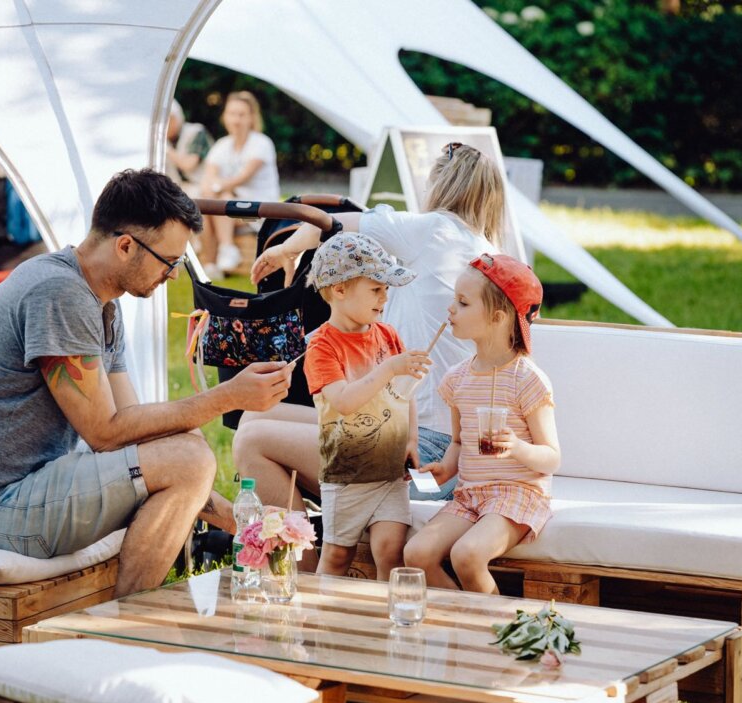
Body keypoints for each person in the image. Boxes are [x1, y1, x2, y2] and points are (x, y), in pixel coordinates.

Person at [0, 169, 295, 597]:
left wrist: (243, 524)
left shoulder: (101, 303)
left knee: (186, 448)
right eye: (170, 261)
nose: (172, 275)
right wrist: (226, 397)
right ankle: (127, 623)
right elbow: (105, 432)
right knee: (188, 457)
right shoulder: (60, 294)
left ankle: (132, 615)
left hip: (19, 492)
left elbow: (135, 433)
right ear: (126, 245)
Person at [236, 142, 507, 513]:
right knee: (257, 415)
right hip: (437, 441)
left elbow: (330, 225)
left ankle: (306, 566)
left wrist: (289, 249)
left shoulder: (432, 230)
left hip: (422, 451)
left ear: (440, 186)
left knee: (253, 440)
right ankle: (307, 544)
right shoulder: (488, 253)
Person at [403, 253, 558, 594]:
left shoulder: (527, 379)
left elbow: (551, 457)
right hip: (470, 495)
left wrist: (516, 447)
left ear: (498, 317)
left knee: (468, 555)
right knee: (416, 553)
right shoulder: (457, 378)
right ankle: (465, 626)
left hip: (518, 495)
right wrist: (445, 468)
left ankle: (496, 632)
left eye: (462, 302)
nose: (450, 310)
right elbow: (459, 442)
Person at [302, 232, 431, 580]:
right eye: (376, 289)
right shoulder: (322, 347)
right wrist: (388, 367)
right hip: (347, 476)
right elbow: (343, 401)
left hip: (389, 475)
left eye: (386, 289)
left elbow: (406, 394)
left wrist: (411, 441)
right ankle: (321, 621)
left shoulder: (387, 335)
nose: (385, 297)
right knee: (338, 556)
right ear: (340, 289)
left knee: (391, 550)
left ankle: (383, 624)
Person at [199, 90, 281, 275]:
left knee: (222, 199)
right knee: (209, 207)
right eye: (232, 114)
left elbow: (241, 178)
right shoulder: (222, 145)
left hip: (259, 212)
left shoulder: (261, 143)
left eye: (241, 115)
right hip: (232, 209)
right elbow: (208, 177)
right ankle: (212, 266)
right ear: (224, 116)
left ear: (251, 117)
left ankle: (226, 250)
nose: (236, 120)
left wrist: (215, 187)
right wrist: (212, 189)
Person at [164, 99, 213, 191]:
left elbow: (188, 164)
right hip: (177, 190)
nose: (165, 124)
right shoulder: (163, 140)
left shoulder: (196, 131)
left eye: (169, 119)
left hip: (201, 188)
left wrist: (165, 148)